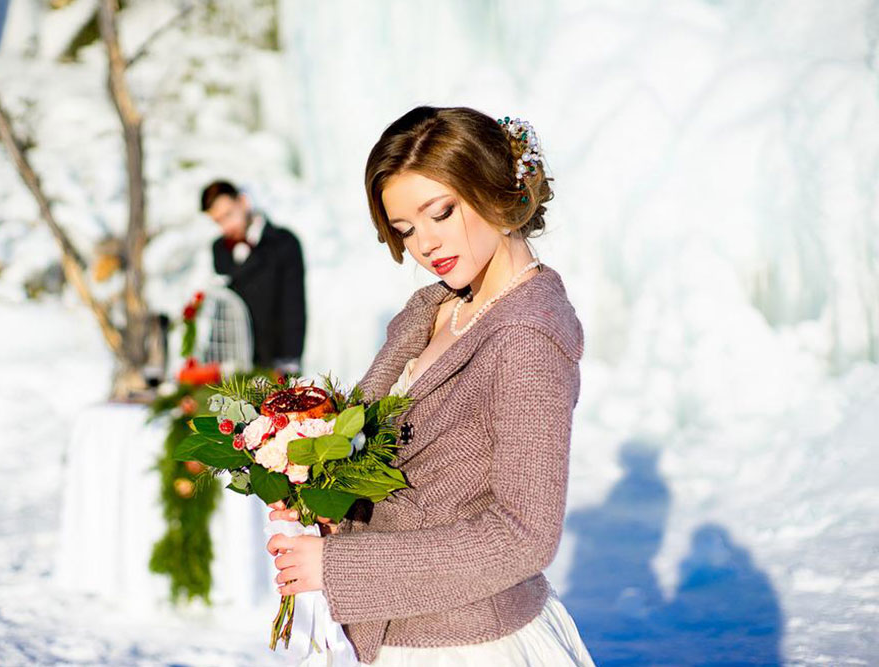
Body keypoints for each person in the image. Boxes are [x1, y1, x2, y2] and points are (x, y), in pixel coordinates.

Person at [265, 106, 595, 666]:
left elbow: (523, 536)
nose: (426, 245)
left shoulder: (527, 338)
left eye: (441, 212)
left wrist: (335, 567)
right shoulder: (436, 309)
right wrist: (324, 500)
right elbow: (399, 469)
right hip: (397, 635)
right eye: (405, 229)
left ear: (494, 187)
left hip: (470, 644)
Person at [203, 180, 306, 374]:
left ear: (243, 202)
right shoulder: (219, 249)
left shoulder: (284, 242)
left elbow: (293, 307)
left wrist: (289, 361)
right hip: (235, 363)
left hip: (274, 360)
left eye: (228, 215)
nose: (226, 227)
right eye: (218, 221)